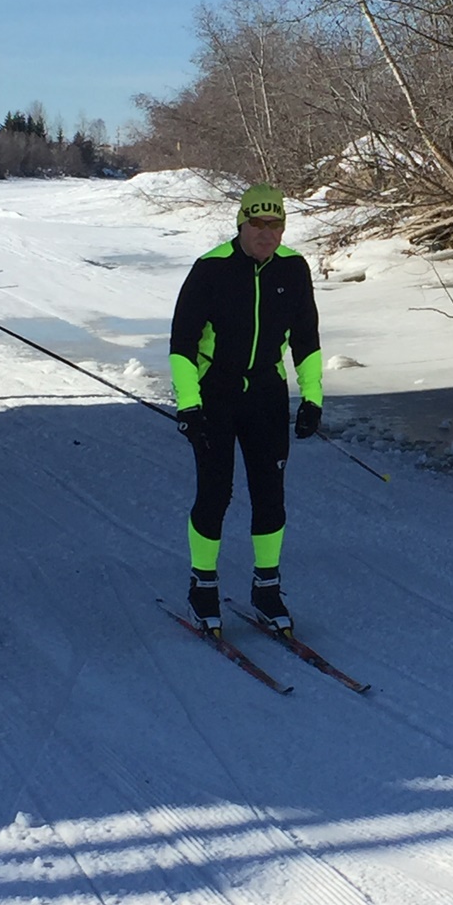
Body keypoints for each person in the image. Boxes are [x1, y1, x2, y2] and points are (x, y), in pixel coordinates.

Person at [169, 183, 322, 637]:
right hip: (214, 398)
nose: (266, 233)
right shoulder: (211, 269)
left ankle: (266, 588)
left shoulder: (294, 269)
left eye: (275, 224)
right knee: (215, 494)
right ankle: (203, 586)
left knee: (270, 497)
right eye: (257, 223)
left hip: (266, 398)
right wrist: (189, 405)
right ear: (241, 224)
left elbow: (306, 340)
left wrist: (312, 398)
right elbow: (182, 345)